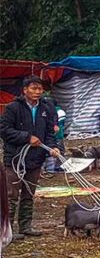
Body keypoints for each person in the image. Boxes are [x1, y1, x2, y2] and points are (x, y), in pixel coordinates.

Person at [1, 77, 59, 240]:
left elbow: (49, 132)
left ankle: (26, 226)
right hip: (15, 158)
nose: (37, 92)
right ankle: (7, 230)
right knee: (11, 195)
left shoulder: (45, 108)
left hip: (35, 159)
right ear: (25, 90)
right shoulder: (13, 108)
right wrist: (27, 137)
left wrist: (52, 148)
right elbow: (4, 130)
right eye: (33, 88)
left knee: (29, 193)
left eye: (40, 89)